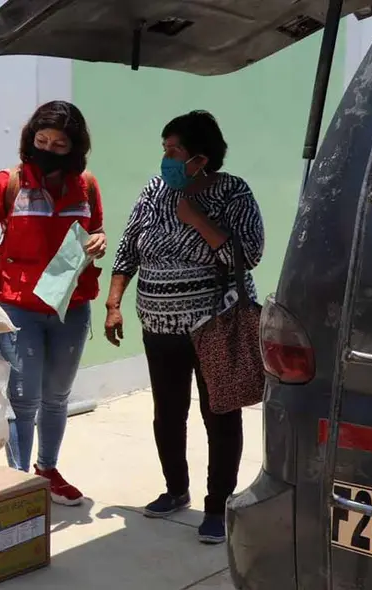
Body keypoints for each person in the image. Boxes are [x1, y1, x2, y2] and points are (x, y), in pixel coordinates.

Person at [0, 100, 106, 506]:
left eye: (58, 144)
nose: (47, 149)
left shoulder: (87, 184)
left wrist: (98, 242)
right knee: (23, 398)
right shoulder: (10, 181)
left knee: (57, 396)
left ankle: (48, 469)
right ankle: (18, 483)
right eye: (41, 140)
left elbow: (95, 232)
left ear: (75, 147)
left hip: (70, 304)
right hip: (19, 307)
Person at [105, 110, 264, 544]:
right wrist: (114, 302)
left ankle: (218, 507)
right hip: (158, 325)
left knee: (220, 413)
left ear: (200, 156)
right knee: (168, 413)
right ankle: (176, 490)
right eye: (164, 149)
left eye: (173, 150)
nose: (166, 158)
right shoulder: (154, 190)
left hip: (213, 324)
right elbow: (127, 247)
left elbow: (247, 255)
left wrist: (197, 220)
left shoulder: (233, 192)